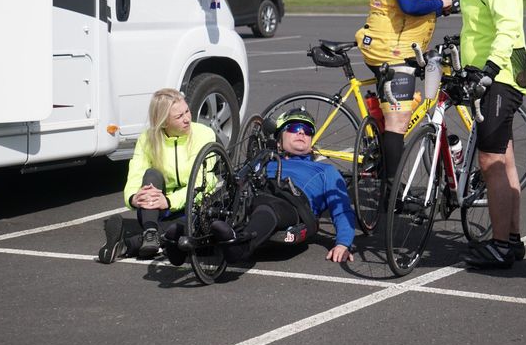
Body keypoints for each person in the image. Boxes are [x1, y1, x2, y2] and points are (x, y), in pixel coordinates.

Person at [446, 0, 526, 269]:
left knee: (490, 160)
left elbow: (508, 26)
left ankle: (498, 246)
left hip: (499, 78)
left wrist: (490, 69)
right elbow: (480, 26)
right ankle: (511, 239)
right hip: (493, 75)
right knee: (505, 158)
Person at [355, 0, 452, 185]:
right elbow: (409, 3)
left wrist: (441, 8)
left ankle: (379, 161)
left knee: (393, 117)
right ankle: (391, 192)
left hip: (398, 47)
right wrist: (439, 3)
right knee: (399, 122)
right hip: (392, 51)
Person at [210, 109, 356, 263]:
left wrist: (343, 243)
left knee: (267, 206)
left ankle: (240, 248)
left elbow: (342, 209)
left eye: (307, 131)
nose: (301, 133)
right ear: (279, 141)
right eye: (294, 128)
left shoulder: (325, 171)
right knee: (217, 205)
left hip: (292, 204)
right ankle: (183, 236)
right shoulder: (264, 160)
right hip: (253, 193)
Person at [98, 88, 216, 264]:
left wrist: (169, 201)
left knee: (187, 228)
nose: (187, 119)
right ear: (163, 122)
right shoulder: (147, 139)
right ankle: (151, 233)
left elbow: (203, 183)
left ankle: (128, 245)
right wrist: (133, 198)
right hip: (153, 210)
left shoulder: (204, 135)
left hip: (192, 206)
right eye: (178, 117)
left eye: (187, 111)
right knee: (151, 175)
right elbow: (136, 173)